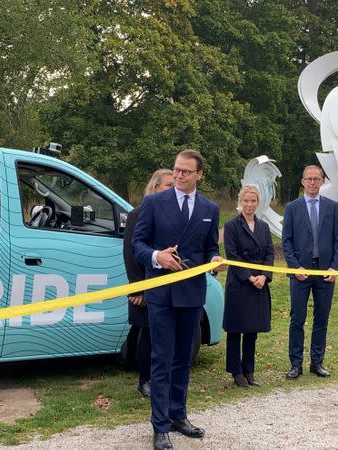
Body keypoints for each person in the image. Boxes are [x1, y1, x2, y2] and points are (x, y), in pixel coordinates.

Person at [132, 149, 224, 450]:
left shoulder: (210, 208)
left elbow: (210, 247)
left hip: (192, 293)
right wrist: (158, 257)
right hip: (161, 294)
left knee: (184, 359)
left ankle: (178, 415)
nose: (179, 176)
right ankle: (159, 426)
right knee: (162, 359)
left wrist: (215, 258)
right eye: (176, 170)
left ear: (199, 174)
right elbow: (138, 245)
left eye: (186, 171)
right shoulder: (154, 203)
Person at [282, 165, 338, 380]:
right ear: (302, 181)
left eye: (316, 179)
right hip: (300, 272)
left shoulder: (332, 207)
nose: (313, 182)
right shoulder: (292, 208)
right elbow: (286, 242)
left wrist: (335, 267)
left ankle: (317, 363)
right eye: (309, 179)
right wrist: (294, 266)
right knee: (297, 318)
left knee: (321, 319)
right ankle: (295, 364)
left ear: (322, 181)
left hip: (325, 272)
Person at [122, 169, 174, 398]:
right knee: (147, 335)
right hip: (144, 288)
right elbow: (131, 254)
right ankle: (144, 380)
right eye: (168, 186)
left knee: (163, 337)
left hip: (168, 287)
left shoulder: (174, 215)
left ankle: (161, 378)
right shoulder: (138, 214)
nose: (173, 190)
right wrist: (139, 288)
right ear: (155, 188)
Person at [222, 185, 274, 388]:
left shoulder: (263, 227)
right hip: (240, 283)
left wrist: (264, 276)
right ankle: (236, 371)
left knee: (252, 329)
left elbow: (270, 253)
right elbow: (232, 256)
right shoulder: (231, 225)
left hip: (259, 284)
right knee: (236, 329)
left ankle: (249, 370)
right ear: (240, 202)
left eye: (253, 201)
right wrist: (250, 277)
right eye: (246, 201)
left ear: (257, 203)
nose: (249, 205)